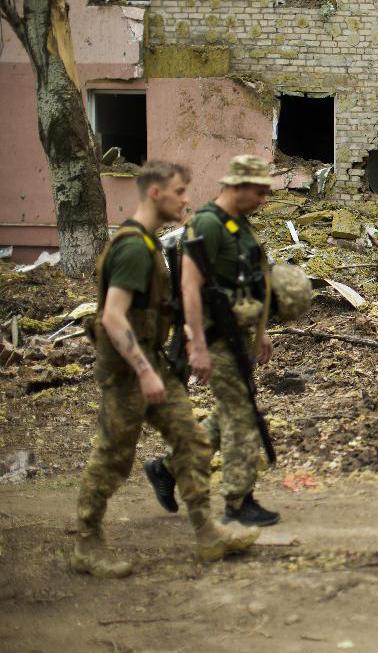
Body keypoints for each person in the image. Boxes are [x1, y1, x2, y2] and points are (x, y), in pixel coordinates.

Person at [73, 161, 259, 578]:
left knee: (191, 441)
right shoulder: (133, 249)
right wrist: (143, 371)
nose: (186, 199)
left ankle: (207, 532)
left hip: (154, 363)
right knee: (113, 457)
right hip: (128, 372)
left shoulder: (151, 243)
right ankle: (86, 542)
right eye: (179, 191)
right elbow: (113, 318)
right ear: (155, 193)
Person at [144, 155, 280, 527]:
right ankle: (238, 501)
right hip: (214, 337)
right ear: (236, 186)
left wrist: (261, 333)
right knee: (240, 416)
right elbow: (189, 286)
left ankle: (168, 469)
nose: (263, 199)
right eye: (258, 191)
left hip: (238, 336)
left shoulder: (240, 226)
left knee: (228, 413)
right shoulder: (206, 223)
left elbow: (249, 282)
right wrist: (197, 345)